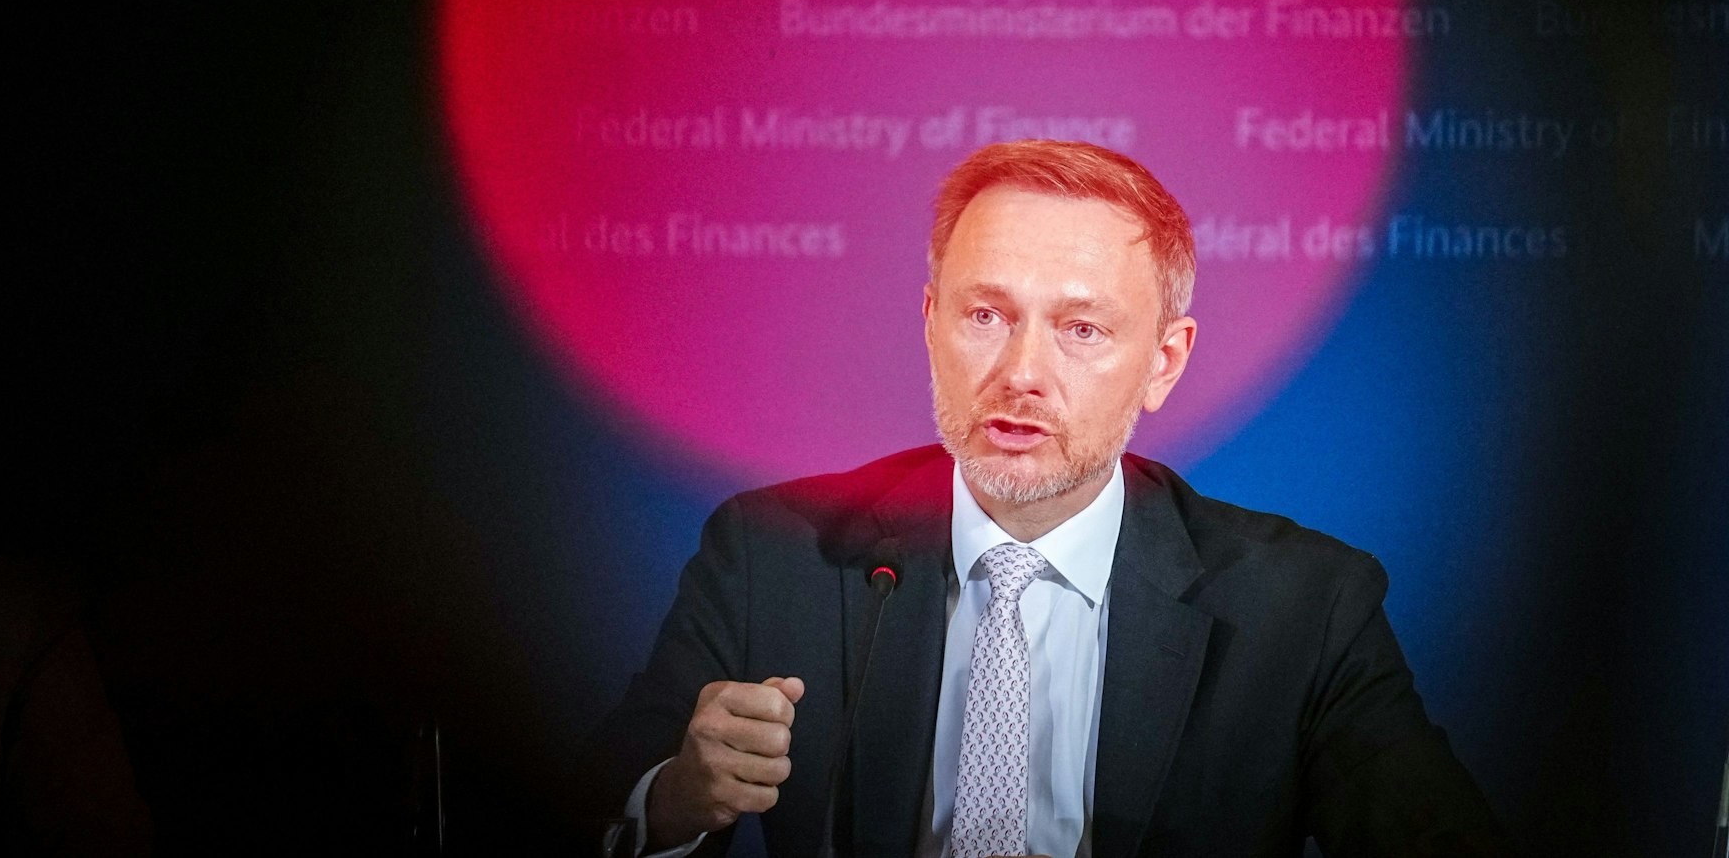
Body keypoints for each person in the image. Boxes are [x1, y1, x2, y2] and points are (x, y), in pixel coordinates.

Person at [591, 140, 1507, 858]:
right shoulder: (770, 552)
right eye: (985, 315)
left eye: (1081, 329)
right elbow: (576, 813)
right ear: (930, 324)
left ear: (1165, 361)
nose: (1022, 373)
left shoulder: (1306, 607)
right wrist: (675, 798)